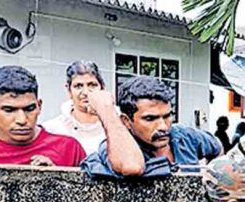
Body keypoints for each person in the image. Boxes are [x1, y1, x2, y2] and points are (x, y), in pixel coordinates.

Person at [82, 76, 221, 178]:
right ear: (126, 121)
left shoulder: (185, 136)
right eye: (150, 119)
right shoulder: (115, 148)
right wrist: (106, 111)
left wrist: (211, 179)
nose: (163, 126)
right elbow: (132, 167)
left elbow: (217, 148)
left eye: (167, 116)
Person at [0, 65, 86, 167]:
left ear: (39, 106)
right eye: (9, 110)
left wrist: (57, 177)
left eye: (29, 109)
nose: (22, 120)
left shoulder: (69, 149)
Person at [43, 61, 111, 154]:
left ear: (102, 87)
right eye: (78, 86)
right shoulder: (52, 130)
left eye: (92, 85)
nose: (86, 92)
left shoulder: (118, 126)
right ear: (69, 90)